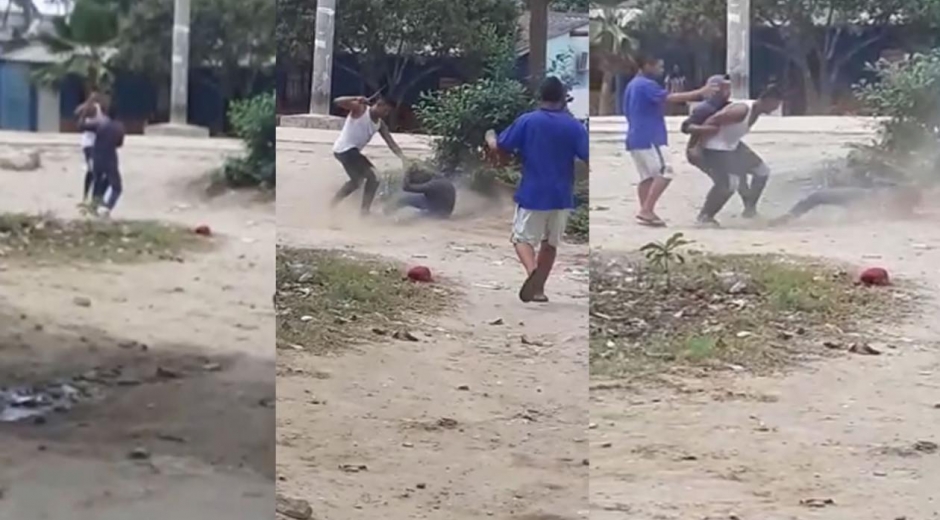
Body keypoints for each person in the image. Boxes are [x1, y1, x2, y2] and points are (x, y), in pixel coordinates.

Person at [485, 76, 589, 303]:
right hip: (562, 194)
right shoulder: (574, 126)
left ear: (539, 97)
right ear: (563, 98)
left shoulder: (527, 121)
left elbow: (501, 146)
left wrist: (491, 138)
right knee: (550, 244)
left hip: (533, 192)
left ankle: (533, 271)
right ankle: (539, 289)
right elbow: (588, 156)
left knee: (521, 239)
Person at [623, 52, 716, 227]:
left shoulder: (632, 85)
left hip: (635, 136)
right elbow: (670, 98)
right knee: (667, 171)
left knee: (648, 177)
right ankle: (647, 210)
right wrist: (701, 92)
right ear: (647, 65)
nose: (661, 70)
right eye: (659, 66)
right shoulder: (646, 85)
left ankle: (646, 211)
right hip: (650, 137)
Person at [694, 85, 783, 227]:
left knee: (762, 171)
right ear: (768, 100)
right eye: (775, 105)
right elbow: (711, 121)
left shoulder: (756, 112)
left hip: (732, 145)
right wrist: (696, 146)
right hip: (715, 147)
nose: (775, 109)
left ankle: (749, 210)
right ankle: (705, 215)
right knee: (730, 184)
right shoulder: (740, 110)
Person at [682, 74, 762, 216]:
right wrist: (705, 130)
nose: (728, 92)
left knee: (746, 173)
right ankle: (706, 215)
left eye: (728, 88)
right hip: (702, 149)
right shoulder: (705, 108)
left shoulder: (730, 106)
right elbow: (686, 127)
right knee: (725, 183)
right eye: (724, 88)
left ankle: (749, 208)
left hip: (727, 147)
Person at [331, 95, 407, 216]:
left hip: (348, 152)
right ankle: (364, 212)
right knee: (374, 177)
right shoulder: (360, 109)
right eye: (385, 110)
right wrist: (355, 98)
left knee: (357, 182)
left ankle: (332, 204)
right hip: (345, 150)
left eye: (388, 112)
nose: (386, 114)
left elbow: (391, 143)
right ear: (379, 104)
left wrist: (403, 158)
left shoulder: (380, 125)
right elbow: (337, 101)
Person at [769, 183, 922, 226]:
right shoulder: (891, 199)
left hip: (860, 194)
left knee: (817, 196)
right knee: (817, 197)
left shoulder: (889, 198)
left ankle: (789, 217)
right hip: (861, 195)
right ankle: (789, 216)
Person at [79, 98, 125, 218]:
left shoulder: (100, 125)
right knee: (116, 187)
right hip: (110, 159)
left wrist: (84, 112)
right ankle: (106, 207)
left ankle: (93, 206)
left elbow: (81, 126)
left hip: (97, 157)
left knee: (98, 183)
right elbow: (119, 144)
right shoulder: (119, 127)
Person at [387, 166, 456, 219]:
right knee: (407, 199)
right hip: (442, 209)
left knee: (410, 211)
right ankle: (388, 211)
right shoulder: (442, 180)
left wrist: (407, 174)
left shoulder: (432, 185)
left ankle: (386, 214)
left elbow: (406, 188)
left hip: (435, 213)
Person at [74, 91, 103, 211]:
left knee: (91, 171)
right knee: (93, 171)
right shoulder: (94, 109)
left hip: (89, 144)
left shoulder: (87, 109)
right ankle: (91, 198)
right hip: (91, 144)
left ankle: (88, 197)